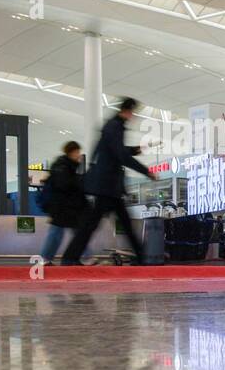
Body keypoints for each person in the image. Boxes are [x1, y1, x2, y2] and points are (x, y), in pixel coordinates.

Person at [62, 97, 156, 265]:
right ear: (127, 111)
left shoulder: (113, 126)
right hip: (107, 186)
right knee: (96, 223)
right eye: (133, 113)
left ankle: (141, 257)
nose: (133, 116)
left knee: (111, 223)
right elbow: (119, 155)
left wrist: (134, 150)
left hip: (109, 186)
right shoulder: (114, 126)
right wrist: (146, 171)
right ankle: (70, 257)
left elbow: (113, 150)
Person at [39, 141, 88, 263]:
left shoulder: (67, 165)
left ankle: (75, 258)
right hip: (61, 207)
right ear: (71, 152)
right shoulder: (62, 166)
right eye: (77, 152)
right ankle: (48, 259)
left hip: (66, 207)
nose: (78, 154)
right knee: (60, 233)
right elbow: (65, 185)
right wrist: (79, 180)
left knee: (71, 232)